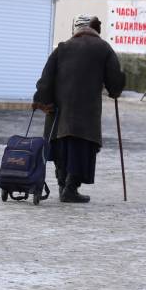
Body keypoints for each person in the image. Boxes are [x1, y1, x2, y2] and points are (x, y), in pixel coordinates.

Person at [33, 15, 125, 203]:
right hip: (86, 112)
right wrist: (116, 89)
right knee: (80, 148)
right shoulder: (103, 48)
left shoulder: (63, 48)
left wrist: (44, 102)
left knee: (60, 146)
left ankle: (62, 186)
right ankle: (70, 188)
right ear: (94, 29)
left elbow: (45, 80)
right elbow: (114, 81)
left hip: (58, 111)